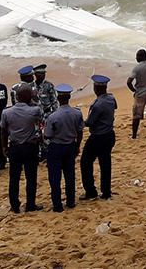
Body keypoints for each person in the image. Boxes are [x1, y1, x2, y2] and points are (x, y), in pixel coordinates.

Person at [0, 85, 44, 213]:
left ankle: (15, 205)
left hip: (15, 146)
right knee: (31, 177)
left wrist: (4, 146)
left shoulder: (6, 112)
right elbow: (40, 125)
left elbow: (3, 131)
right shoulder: (35, 110)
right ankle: (30, 204)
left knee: (14, 178)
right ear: (29, 97)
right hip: (30, 146)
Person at [44, 84, 83, 212]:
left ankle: (57, 205)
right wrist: (77, 145)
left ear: (58, 98)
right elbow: (80, 131)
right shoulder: (77, 113)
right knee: (69, 175)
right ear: (69, 97)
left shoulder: (53, 116)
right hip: (70, 145)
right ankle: (71, 201)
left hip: (56, 147)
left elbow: (48, 135)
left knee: (55, 178)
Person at [80, 75, 117, 201]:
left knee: (85, 162)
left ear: (96, 88)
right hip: (109, 134)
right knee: (105, 163)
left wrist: (80, 122)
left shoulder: (98, 105)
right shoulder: (111, 98)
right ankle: (106, 191)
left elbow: (90, 122)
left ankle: (91, 191)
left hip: (98, 136)